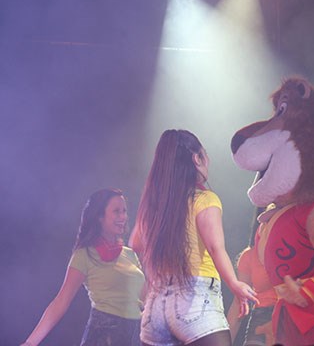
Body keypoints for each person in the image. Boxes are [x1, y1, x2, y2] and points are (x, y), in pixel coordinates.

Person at [129, 129, 258, 346]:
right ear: (196, 158)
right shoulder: (205, 199)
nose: (208, 161)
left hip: (156, 307)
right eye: (204, 155)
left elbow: (135, 243)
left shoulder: (155, 205)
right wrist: (234, 283)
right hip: (195, 301)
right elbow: (215, 248)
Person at [21, 188, 145, 346]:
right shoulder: (84, 255)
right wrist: (30, 342)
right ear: (100, 217)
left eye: (124, 211)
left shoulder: (130, 254)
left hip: (134, 337)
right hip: (103, 337)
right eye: (116, 211)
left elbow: (145, 299)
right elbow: (61, 301)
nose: (123, 217)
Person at [226, 207, 276, 346]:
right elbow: (239, 303)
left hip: (292, 313)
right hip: (262, 315)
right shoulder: (249, 256)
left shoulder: (299, 249)